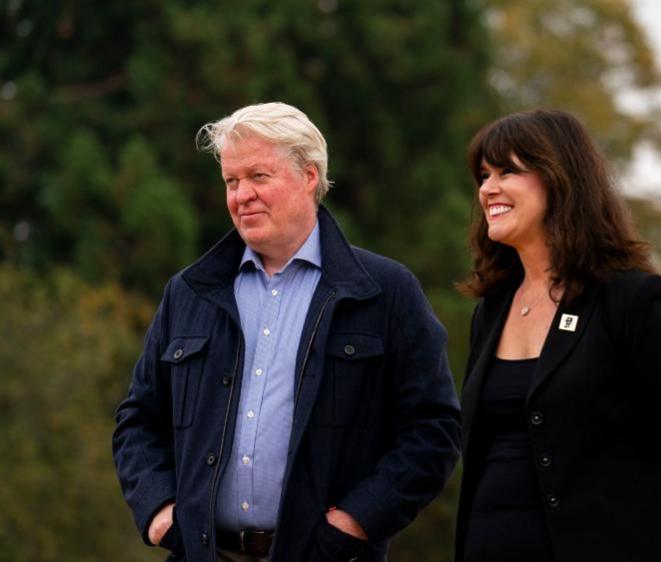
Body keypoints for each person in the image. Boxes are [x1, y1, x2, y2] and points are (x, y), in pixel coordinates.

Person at [112, 102, 461, 562]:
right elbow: (137, 420)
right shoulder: (189, 294)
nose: (242, 195)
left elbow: (433, 430)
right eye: (232, 182)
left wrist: (355, 523)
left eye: (259, 177)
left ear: (310, 176)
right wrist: (159, 509)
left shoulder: (384, 292)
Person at [454, 109, 661, 561]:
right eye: (484, 175)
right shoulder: (492, 310)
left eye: (508, 171)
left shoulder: (632, 300)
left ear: (558, 179)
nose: (488, 189)